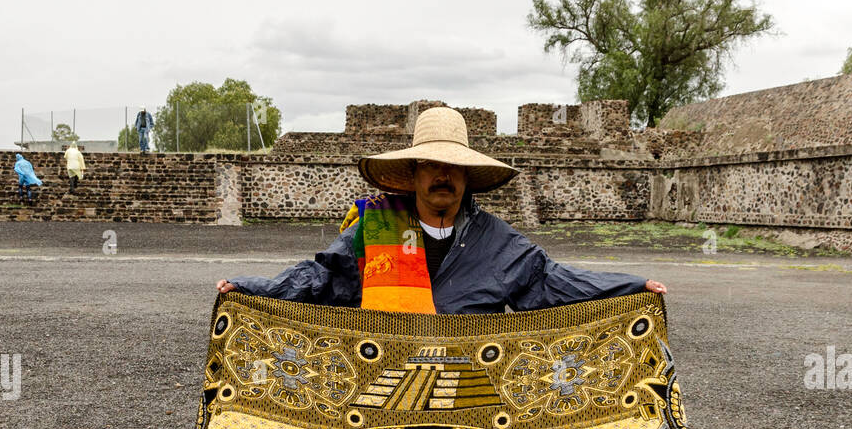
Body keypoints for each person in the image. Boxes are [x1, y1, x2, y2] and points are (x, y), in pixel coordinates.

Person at [218, 106, 667, 314]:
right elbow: (320, 279)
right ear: (413, 174)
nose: (443, 175)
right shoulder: (373, 229)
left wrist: (632, 287)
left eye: (453, 166)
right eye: (431, 164)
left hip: (471, 392)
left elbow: (553, 281)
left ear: (468, 177)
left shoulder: (499, 242)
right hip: (384, 385)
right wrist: (251, 288)